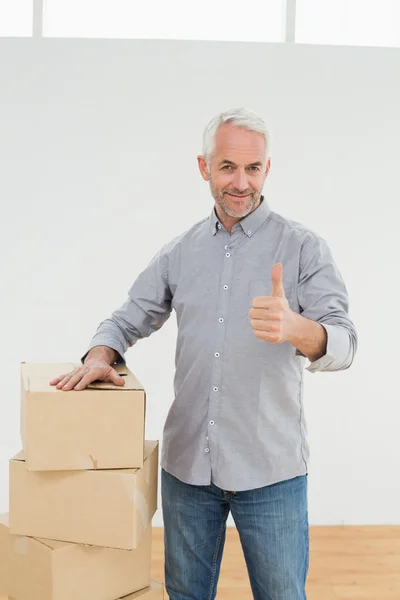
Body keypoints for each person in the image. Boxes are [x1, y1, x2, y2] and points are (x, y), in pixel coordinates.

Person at [50, 107, 357, 600]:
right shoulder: (181, 252)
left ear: (267, 169)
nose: (241, 182)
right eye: (227, 167)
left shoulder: (303, 249)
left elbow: (345, 342)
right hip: (189, 470)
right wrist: (99, 355)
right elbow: (127, 318)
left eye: (253, 168)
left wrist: (300, 328)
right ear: (204, 167)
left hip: (271, 472)